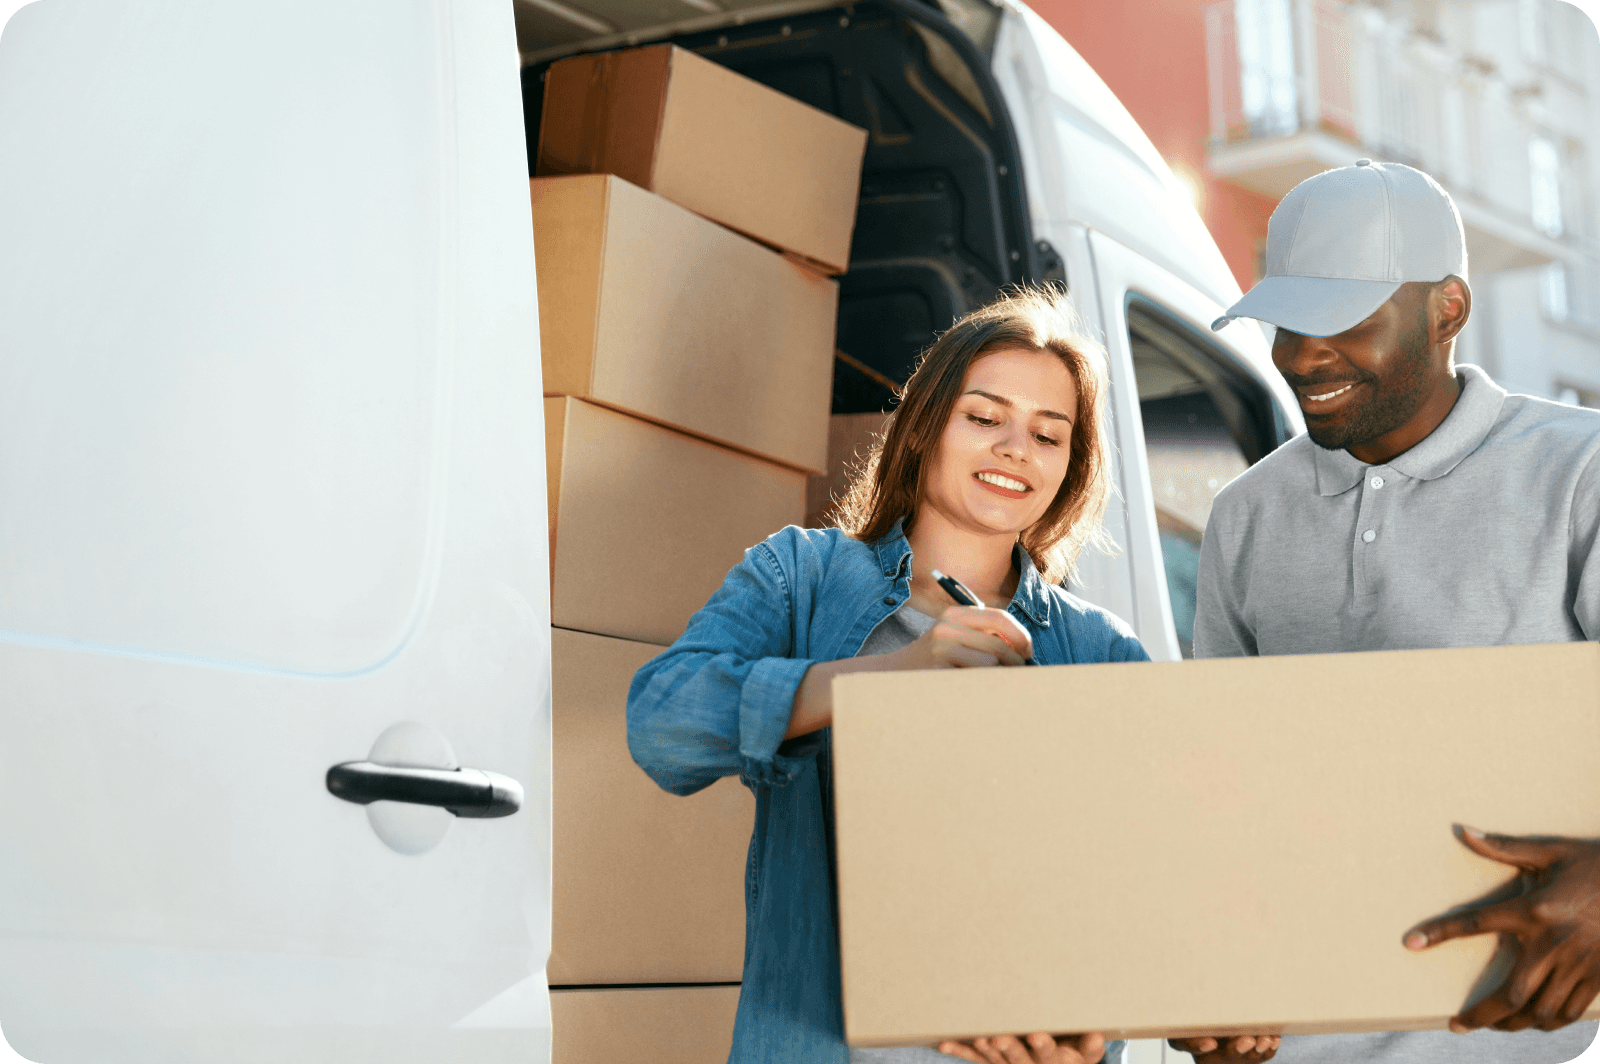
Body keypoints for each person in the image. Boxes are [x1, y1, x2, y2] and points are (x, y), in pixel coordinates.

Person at [628, 286, 1149, 1064]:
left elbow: (1144, 894)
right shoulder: (797, 575)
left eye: (1049, 434)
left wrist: (1092, 1030)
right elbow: (661, 724)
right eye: (984, 417)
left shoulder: (1101, 652)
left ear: (1070, 467)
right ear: (925, 428)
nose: (1015, 447)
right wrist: (883, 679)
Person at [1193, 158, 1600, 1064]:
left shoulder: (1579, 474)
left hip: (1539, 1040)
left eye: (1341, 321)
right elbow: (1221, 788)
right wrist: (1209, 978)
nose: (1301, 357)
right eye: (1286, 324)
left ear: (1448, 308)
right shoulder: (1247, 516)